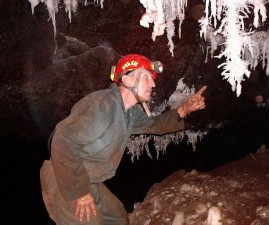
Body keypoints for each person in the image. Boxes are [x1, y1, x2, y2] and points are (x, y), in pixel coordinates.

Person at [40, 54, 207, 225]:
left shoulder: (130, 113)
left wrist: (185, 109)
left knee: (118, 219)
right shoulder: (104, 103)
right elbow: (63, 141)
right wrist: (80, 193)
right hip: (66, 177)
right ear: (127, 80)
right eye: (146, 77)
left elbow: (155, 125)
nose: (153, 84)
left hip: (90, 179)